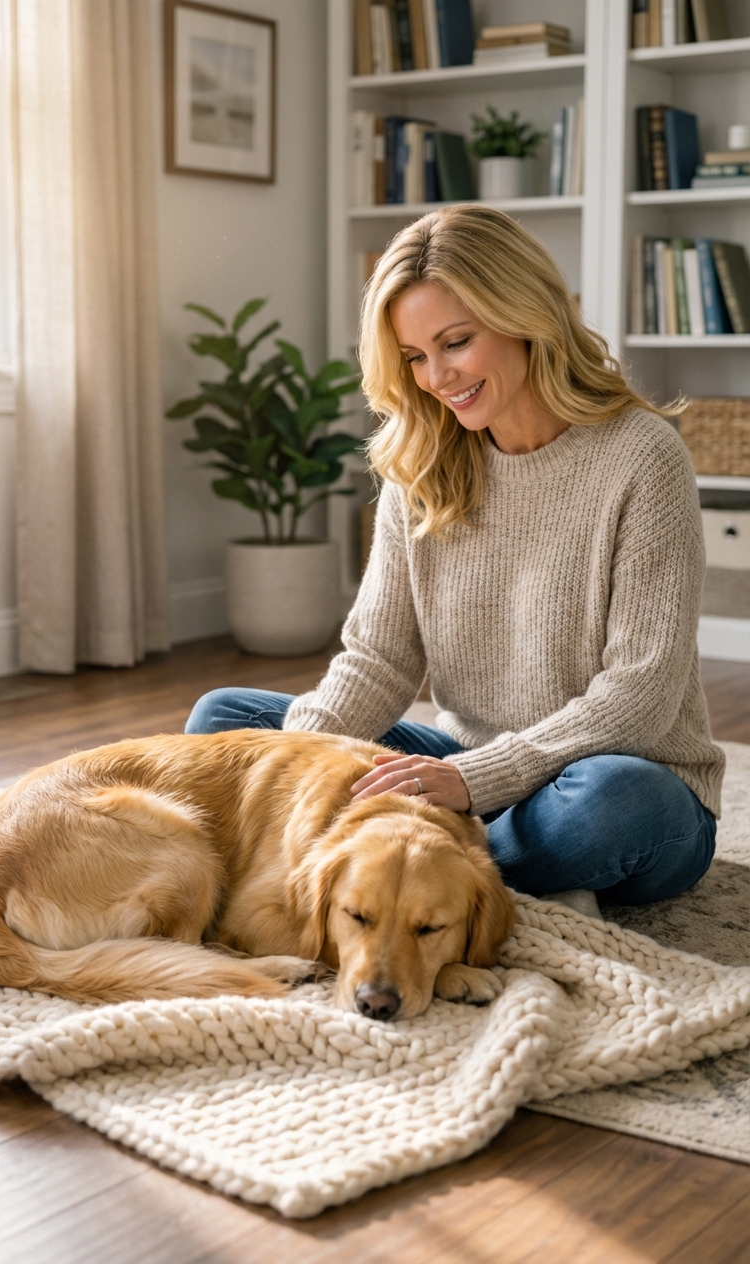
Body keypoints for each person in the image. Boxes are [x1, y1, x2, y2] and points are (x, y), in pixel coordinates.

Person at [186, 205, 723, 905]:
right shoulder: (422, 460)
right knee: (227, 724)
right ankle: (449, 871)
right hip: (468, 771)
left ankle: (390, 872)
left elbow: (641, 695)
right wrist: (298, 763)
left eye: (456, 342)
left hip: (611, 777)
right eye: (413, 357)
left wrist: (475, 782)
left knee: (618, 803)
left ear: (523, 313)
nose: (436, 376)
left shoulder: (640, 456)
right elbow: (380, 659)